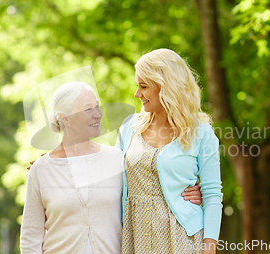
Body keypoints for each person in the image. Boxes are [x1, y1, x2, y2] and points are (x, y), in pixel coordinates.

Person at [21, 81, 202, 254]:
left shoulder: (116, 159)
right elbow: (31, 238)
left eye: (97, 106)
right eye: (88, 109)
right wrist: (51, 162)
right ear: (65, 118)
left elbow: (152, 185)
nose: (98, 114)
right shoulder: (41, 170)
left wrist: (188, 192)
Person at [116, 48, 222, 254]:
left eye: (143, 86)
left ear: (165, 86)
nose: (137, 94)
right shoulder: (129, 128)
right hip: (134, 239)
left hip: (184, 240)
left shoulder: (201, 133)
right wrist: (57, 160)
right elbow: (104, 172)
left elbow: (212, 196)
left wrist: (209, 250)